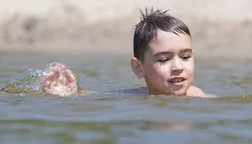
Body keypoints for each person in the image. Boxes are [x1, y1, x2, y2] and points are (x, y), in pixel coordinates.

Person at [40, 8, 215, 98]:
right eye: (163, 59)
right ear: (138, 68)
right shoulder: (138, 95)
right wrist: (69, 94)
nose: (178, 67)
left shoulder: (197, 98)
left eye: (185, 57)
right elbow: (100, 98)